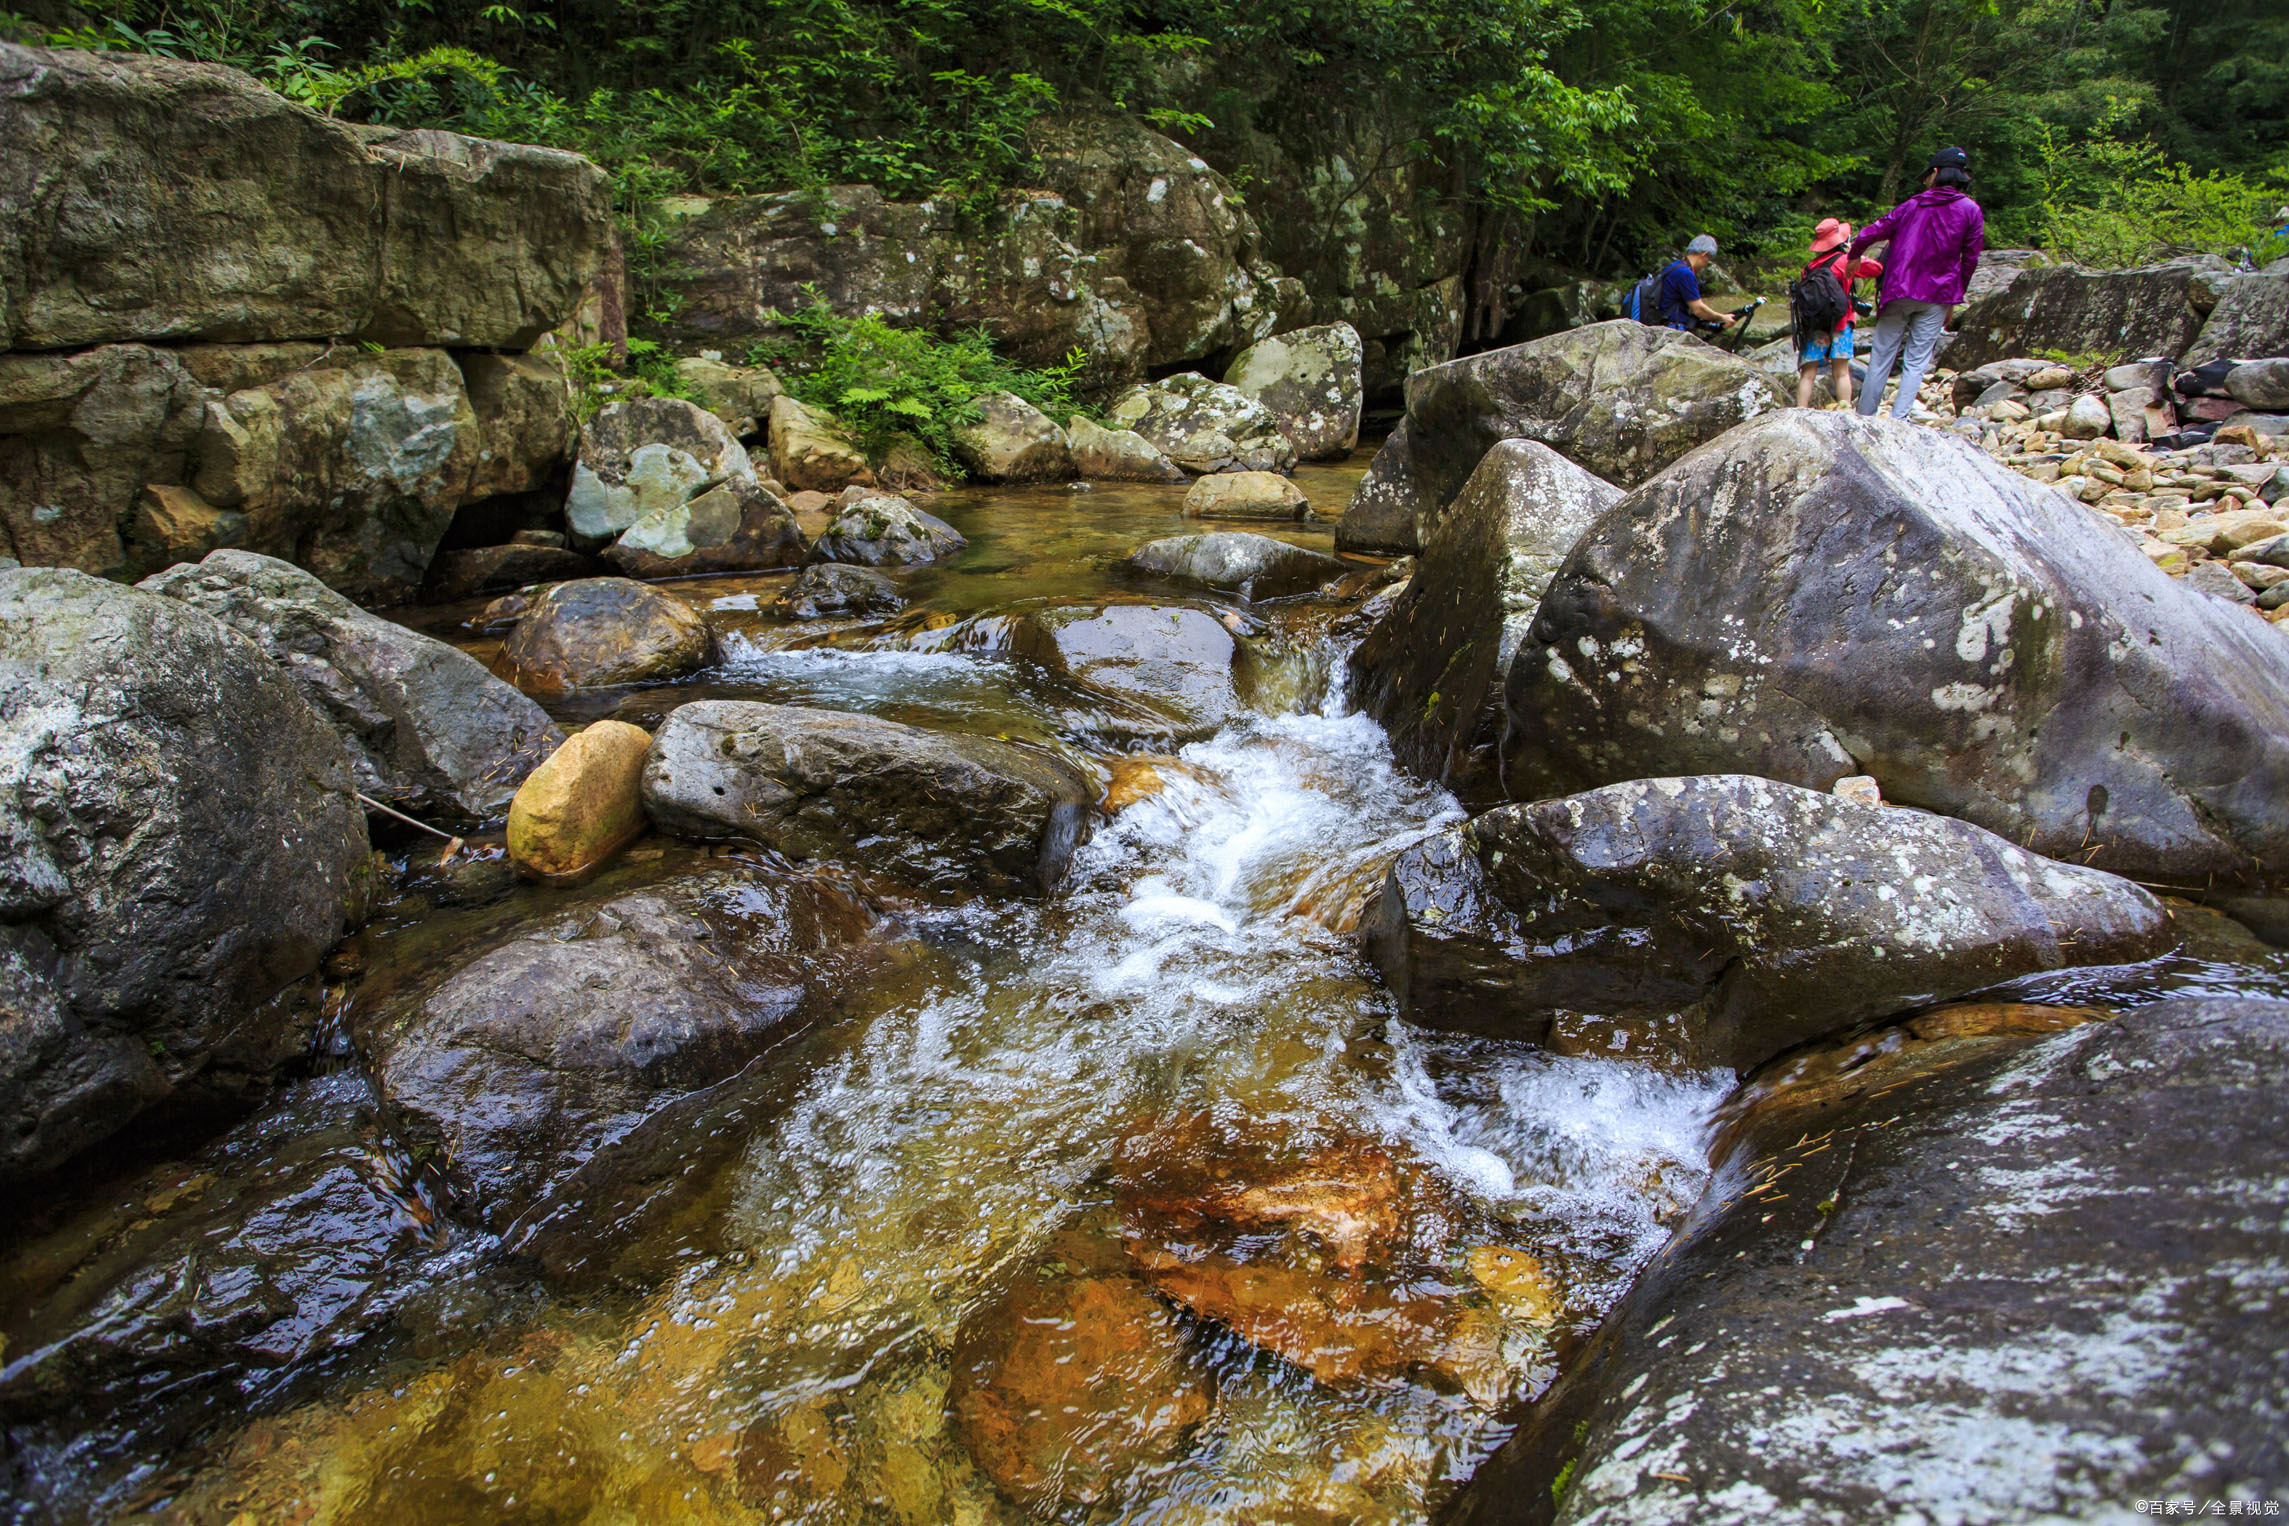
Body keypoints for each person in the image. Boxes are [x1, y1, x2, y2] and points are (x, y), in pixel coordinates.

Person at [1848, 147, 1985, 419]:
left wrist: (1853, 257)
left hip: (1899, 288)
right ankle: (1899, 420)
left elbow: (1872, 231)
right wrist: (1954, 299)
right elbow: (1969, 260)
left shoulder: (1912, 205)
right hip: (1938, 294)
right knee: (1917, 361)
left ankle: (1865, 417)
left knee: (1881, 356)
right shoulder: (1971, 210)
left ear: (1935, 173)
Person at [1794, 218, 1881, 409]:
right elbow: (1877, 268)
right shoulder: (1844, 261)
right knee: (1841, 371)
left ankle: (1800, 409)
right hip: (1841, 323)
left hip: (1815, 325)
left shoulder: (1809, 268)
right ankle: (1844, 410)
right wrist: (1853, 254)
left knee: (1808, 373)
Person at [1657, 234, 1747, 334]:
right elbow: (1698, 309)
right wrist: (1722, 317)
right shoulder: (1685, 274)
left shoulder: (1673, 267)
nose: (1706, 265)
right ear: (1704, 254)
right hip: (1672, 328)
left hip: (1662, 323)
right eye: (1708, 260)